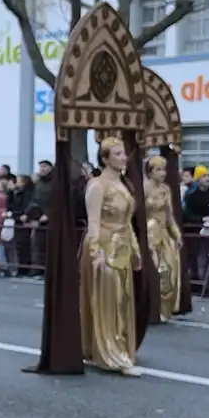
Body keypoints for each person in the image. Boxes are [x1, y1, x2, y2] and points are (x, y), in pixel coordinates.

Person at [80, 137, 142, 376]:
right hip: (104, 246)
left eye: (123, 153)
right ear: (105, 158)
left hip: (123, 247)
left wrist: (135, 251)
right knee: (109, 301)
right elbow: (93, 222)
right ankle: (110, 355)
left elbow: (127, 223)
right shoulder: (97, 185)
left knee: (123, 301)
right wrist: (96, 253)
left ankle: (119, 349)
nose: (123, 157)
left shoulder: (124, 185)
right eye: (117, 154)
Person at [144, 156, 182, 322]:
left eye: (163, 169)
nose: (162, 173)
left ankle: (164, 308)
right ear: (150, 172)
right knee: (155, 271)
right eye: (158, 169)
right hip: (148, 234)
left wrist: (176, 234)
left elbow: (169, 215)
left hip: (163, 234)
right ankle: (150, 308)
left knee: (170, 272)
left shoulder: (166, 189)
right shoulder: (143, 188)